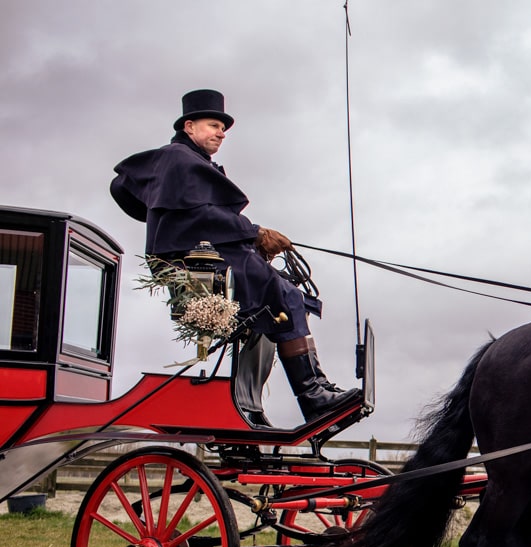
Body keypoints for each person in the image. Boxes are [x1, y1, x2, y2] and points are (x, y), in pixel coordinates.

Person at [110, 89, 360, 425]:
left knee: (285, 293)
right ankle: (313, 394)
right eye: (214, 125)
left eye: (223, 128)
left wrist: (253, 238)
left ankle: (293, 394)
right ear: (189, 126)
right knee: (282, 295)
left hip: (210, 256)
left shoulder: (189, 163)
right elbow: (200, 216)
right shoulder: (178, 159)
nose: (221, 133)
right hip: (195, 264)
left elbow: (204, 216)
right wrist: (255, 233)